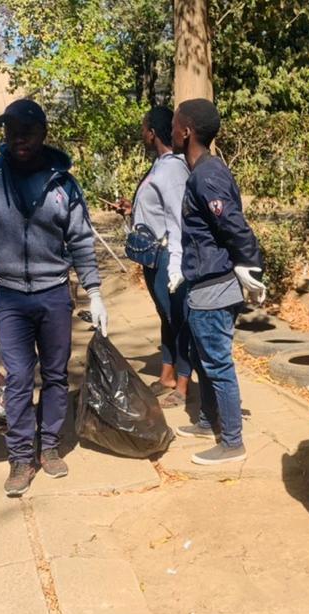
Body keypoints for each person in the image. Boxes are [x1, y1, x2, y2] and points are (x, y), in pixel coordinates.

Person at [0, 99, 109, 497]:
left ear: (43, 133)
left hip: (54, 295)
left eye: (26, 133)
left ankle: (48, 446)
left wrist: (95, 292)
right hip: (10, 297)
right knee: (16, 378)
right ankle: (20, 456)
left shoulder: (63, 183)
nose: (18, 141)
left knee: (55, 375)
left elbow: (80, 239)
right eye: (11, 133)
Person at [170, 98, 265, 466]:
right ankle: (208, 420)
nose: (171, 131)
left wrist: (251, 268)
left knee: (218, 364)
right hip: (202, 282)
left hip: (214, 285)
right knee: (202, 357)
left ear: (187, 131)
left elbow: (233, 225)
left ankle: (232, 442)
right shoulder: (201, 172)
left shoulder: (207, 175)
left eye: (176, 125)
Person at [129, 106, 192, 408]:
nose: (142, 133)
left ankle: (183, 385)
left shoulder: (172, 169)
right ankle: (167, 375)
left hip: (169, 256)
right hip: (154, 255)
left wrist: (177, 265)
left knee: (178, 318)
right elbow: (157, 208)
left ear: (153, 133)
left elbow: (178, 218)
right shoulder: (160, 165)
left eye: (144, 128)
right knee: (166, 317)